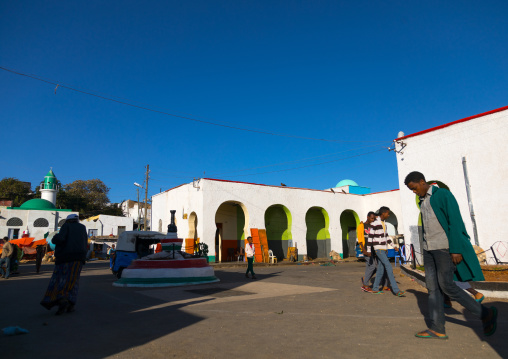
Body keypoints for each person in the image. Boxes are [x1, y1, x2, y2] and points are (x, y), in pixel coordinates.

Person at [405, 171, 497, 338]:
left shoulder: (443, 195)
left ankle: (485, 313)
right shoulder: (423, 201)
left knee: (447, 285)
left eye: (414, 188)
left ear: (422, 181)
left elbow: (455, 221)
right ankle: (437, 328)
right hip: (428, 250)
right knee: (432, 289)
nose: (414, 192)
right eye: (411, 190)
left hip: (444, 249)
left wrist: (455, 249)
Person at [40, 213, 87, 315]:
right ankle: (71, 304)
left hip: (65, 258)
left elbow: (60, 239)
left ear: (68, 220)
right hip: (79, 259)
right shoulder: (83, 227)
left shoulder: (66, 226)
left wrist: (55, 238)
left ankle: (61, 300)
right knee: (73, 281)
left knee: (60, 280)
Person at [368, 207, 405, 297]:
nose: (388, 215)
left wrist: (393, 246)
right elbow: (370, 237)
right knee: (388, 266)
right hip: (379, 249)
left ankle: (375, 288)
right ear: (383, 213)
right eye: (388, 213)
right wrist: (369, 250)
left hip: (384, 249)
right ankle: (396, 290)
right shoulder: (374, 223)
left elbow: (387, 237)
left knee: (380, 269)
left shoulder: (384, 224)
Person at [358, 212, 388, 292]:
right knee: (372, 266)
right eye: (371, 218)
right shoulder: (361, 226)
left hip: (373, 249)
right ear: (367, 217)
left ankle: (365, 279)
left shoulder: (372, 225)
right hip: (366, 249)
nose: (373, 220)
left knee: (376, 267)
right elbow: (360, 240)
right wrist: (364, 250)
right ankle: (365, 284)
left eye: (374, 219)